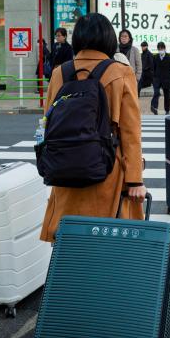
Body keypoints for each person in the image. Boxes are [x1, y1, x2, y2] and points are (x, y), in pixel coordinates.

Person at [40, 13, 147, 242]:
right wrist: (135, 180)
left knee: (69, 239)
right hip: (106, 171)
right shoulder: (120, 71)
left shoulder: (60, 72)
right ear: (109, 39)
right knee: (105, 240)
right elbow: (130, 131)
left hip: (64, 169)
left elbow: (47, 121)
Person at [150, 42, 170, 115]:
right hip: (157, 79)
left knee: (167, 95)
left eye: (162, 48)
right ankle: (154, 107)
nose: (160, 50)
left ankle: (167, 110)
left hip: (166, 79)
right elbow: (153, 68)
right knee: (156, 93)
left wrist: (169, 76)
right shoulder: (155, 57)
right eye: (159, 49)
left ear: (164, 48)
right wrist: (153, 77)